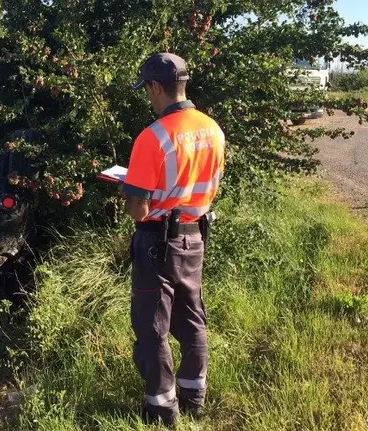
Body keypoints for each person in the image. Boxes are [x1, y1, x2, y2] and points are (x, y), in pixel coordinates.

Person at [120, 52, 225, 427]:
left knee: (152, 327)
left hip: (156, 241)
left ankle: (161, 409)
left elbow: (138, 209)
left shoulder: (153, 137)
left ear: (155, 86)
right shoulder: (213, 128)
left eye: (147, 90)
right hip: (194, 236)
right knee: (192, 318)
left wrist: (127, 189)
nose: (148, 97)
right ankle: (194, 397)